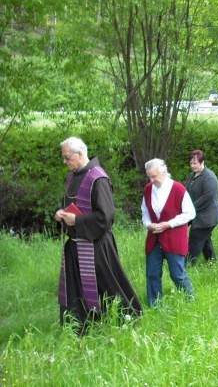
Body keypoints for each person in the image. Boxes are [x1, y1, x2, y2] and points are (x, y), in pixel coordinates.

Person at [55, 136, 142, 334]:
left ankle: (127, 319)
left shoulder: (98, 178)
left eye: (67, 157)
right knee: (75, 288)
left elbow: (106, 217)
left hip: (96, 246)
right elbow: (69, 206)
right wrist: (60, 215)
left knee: (108, 286)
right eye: (64, 158)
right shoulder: (71, 177)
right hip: (75, 245)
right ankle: (80, 326)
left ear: (80, 154)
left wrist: (77, 221)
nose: (65, 162)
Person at [141, 158, 196, 306]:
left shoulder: (178, 189)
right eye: (149, 177)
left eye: (154, 176)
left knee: (177, 274)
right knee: (152, 274)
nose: (151, 180)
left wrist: (169, 224)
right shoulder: (148, 189)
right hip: (154, 239)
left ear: (164, 172)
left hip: (174, 239)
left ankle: (191, 300)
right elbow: (145, 212)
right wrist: (149, 225)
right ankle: (155, 305)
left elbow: (190, 213)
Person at [184, 150, 218, 266]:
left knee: (195, 239)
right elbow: (185, 191)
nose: (193, 166)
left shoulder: (209, 177)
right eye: (191, 163)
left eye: (195, 163)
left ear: (202, 162)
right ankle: (212, 263)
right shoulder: (192, 176)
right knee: (205, 240)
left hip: (208, 217)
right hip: (196, 214)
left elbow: (207, 197)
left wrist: (190, 208)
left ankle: (187, 265)